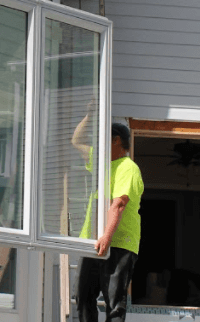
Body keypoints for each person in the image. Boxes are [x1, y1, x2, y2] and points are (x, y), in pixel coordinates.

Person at [75, 123, 144, 322]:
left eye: (104, 138)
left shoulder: (128, 167)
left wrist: (106, 236)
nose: (98, 143)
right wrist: (89, 116)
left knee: (114, 302)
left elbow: (119, 204)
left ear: (116, 140)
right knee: (83, 295)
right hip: (96, 241)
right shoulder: (101, 164)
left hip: (118, 243)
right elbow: (76, 141)